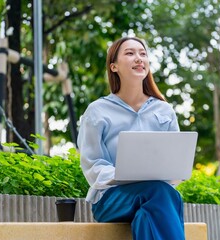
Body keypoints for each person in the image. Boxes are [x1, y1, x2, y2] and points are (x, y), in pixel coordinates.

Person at [77, 36, 185, 240]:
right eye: (130, 53)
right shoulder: (97, 111)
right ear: (114, 66)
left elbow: (175, 164)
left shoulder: (164, 110)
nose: (139, 58)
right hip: (111, 199)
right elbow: (92, 166)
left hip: (156, 195)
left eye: (143, 54)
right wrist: (122, 173)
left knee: (148, 215)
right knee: (160, 194)